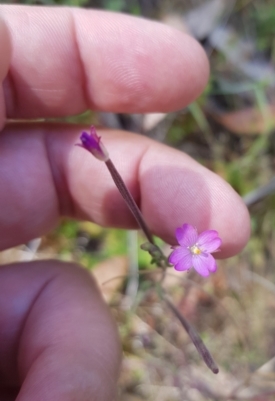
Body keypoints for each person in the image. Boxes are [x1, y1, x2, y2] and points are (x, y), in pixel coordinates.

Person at [0, 5, 250, 401]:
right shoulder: (186, 246)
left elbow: (198, 246)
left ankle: (205, 366)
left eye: (197, 250)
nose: (198, 249)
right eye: (195, 249)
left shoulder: (190, 248)